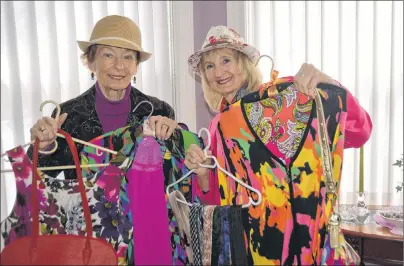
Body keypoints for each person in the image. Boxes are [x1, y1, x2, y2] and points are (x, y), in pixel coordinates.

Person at [184, 25, 373, 193]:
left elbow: (359, 133)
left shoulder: (284, 99)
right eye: (209, 66)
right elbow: (219, 198)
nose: (218, 72)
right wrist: (203, 172)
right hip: (245, 231)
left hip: (301, 227)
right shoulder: (217, 125)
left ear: (243, 63)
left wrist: (330, 86)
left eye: (226, 60)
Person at [28, 15, 179, 179]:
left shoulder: (159, 111)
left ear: (136, 66)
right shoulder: (68, 115)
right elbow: (39, 181)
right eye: (108, 55)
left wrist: (177, 139)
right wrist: (43, 147)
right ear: (91, 62)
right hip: (86, 205)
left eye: (128, 57)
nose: (119, 65)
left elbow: (174, 177)